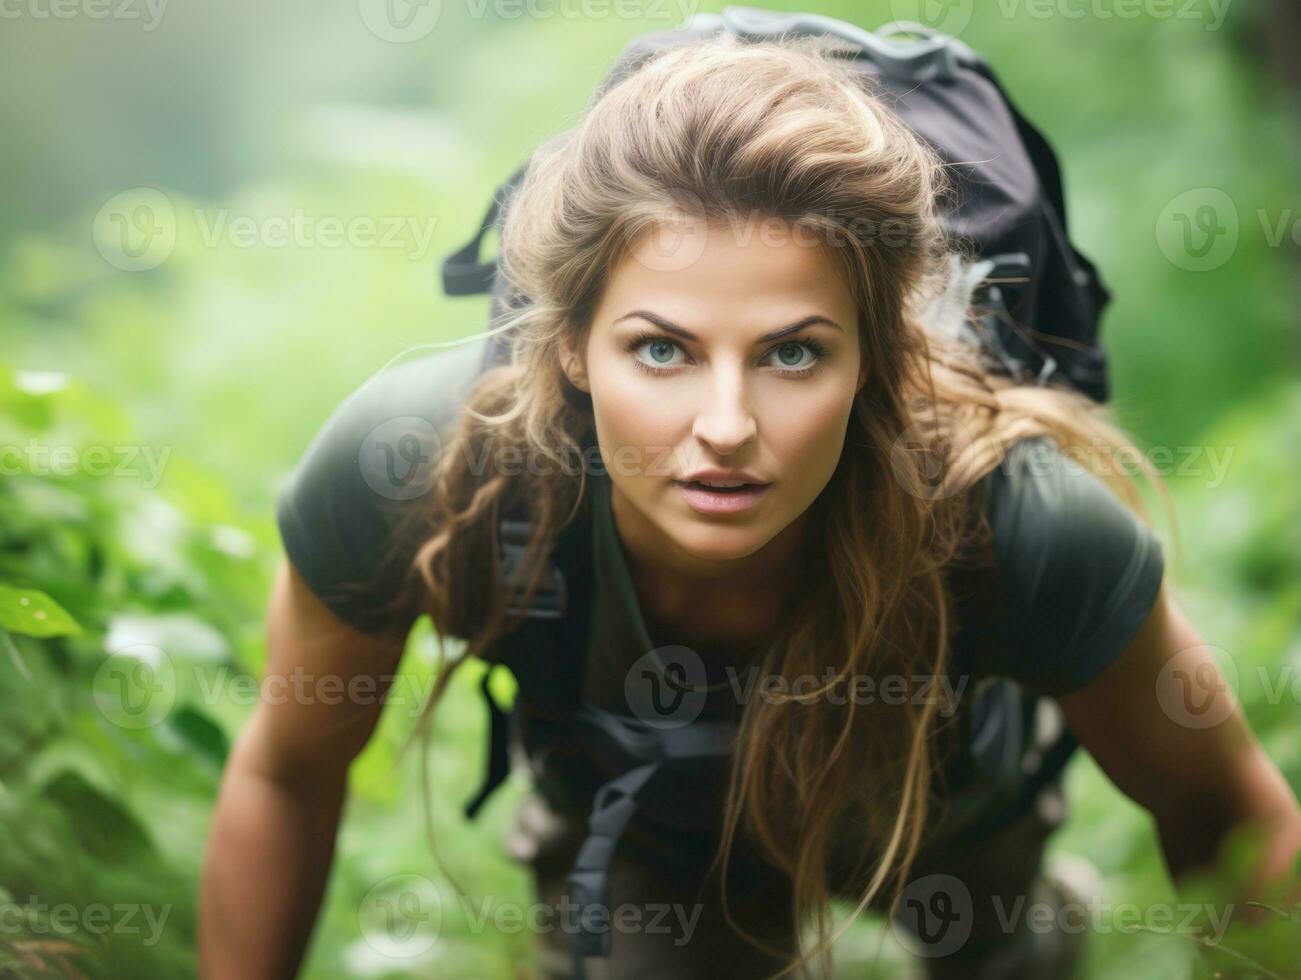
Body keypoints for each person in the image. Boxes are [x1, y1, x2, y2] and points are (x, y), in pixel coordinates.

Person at [199, 33, 1301, 980]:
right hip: (646, 826)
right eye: (660, 348)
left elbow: (1235, 818)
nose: (724, 423)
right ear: (572, 345)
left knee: (999, 943)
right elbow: (287, 769)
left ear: (876, 357)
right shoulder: (423, 471)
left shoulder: (1014, 518)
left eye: (790, 352)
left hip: (950, 809)